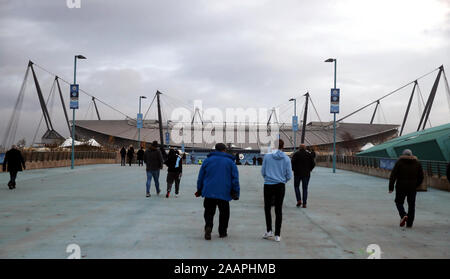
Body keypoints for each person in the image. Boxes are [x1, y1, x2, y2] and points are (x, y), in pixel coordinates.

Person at [196, 143, 240, 240]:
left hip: (209, 190)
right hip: (224, 191)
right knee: (224, 213)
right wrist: (236, 191)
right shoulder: (230, 162)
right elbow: (235, 178)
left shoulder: (207, 160)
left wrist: (199, 189)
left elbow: (201, 177)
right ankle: (222, 232)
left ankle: (208, 226)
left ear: (215, 150)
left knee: (209, 211)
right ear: (224, 150)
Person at [261, 139, 292, 242]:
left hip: (268, 185)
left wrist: (268, 178)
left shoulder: (267, 156)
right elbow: (289, 175)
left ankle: (269, 230)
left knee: (267, 208)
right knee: (278, 209)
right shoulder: (286, 159)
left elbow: (263, 171)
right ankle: (277, 234)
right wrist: (283, 180)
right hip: (280, 185)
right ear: (283, 146)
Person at [389, 149, 424, 228]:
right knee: (411, 205)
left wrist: (391, 187)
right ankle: (409, 223)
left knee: (398, 202)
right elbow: (421, 177)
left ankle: (403, 215)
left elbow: (393, 175)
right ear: (411, 155)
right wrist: (416, 185)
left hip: (400, 186)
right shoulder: (417, 163)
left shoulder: (399, 162)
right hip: (412, 188)